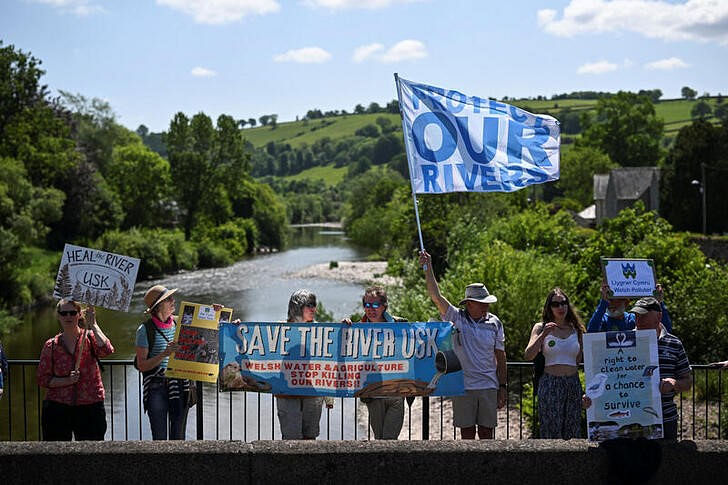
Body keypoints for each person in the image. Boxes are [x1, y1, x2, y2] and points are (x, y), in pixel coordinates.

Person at [419, 250, 507, 439]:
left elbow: (501, 356)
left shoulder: (495, 322)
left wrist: (503, 387)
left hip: (488, 386)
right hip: (463, 386)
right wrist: (428, 268)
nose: (486, 306)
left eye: (486, 303)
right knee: (466, 433)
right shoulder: (456, 317)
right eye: (481, 303)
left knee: (486, 433)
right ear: (469, 303)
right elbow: (436, 296)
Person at [584, 297, 691, 440]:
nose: (638, 320)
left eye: (644, 315)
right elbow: (611, 379)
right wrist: (593, 398)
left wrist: (674, 384)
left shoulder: (674, 343)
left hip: (665, 420)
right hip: (629, 423)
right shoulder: (622, 343)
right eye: (636, 315)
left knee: (665, 462)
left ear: (658, 316)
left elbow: (688, 382)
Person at [36, 298, 114, 440]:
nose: (68, 317)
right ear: (58, 316)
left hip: (90, 405)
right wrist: (67, 380)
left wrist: (94, 325)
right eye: (64, 313)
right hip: (58, 406)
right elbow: (42, 379)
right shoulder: (51, 346)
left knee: (91, 456)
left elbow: (107, 350)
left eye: (72, 313)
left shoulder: (90, 338)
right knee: (57, 455)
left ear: (79, 314)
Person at [344, 286, 408, 440]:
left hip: (396, 392)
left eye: (374, 305)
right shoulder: (358, 328)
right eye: (366, 305)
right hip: (374, 393)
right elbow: (345, 352)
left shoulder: (400, 324)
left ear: (384, 306)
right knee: (380, 439)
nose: (370, 309)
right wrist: (344, 329)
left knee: (390, 439)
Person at [524, 288, 585, 439]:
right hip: (550, 383)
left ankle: (572, 463)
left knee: (573, 430)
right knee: (551, 430)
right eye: (555, 304)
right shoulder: (540, 327)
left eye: (564, 303)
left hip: (572, 383)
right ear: (549, 307)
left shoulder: (576, 329)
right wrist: (544, 334)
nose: (560, 307)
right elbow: (528, 355)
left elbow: (580, 360)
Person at [135, 285, 192, 440]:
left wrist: (218, 312)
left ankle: (178, 465)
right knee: (159, 440)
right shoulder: (144, 330)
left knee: (179, 438)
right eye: (169, 299)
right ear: (158, 305)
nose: (173, 301)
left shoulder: (179, 323)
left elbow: (209, 326)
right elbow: (141, 366)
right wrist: (164, 354)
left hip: (180, 386)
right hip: (156, 388)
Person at [276, 289, 334, 440]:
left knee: (310, 438)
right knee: (291, 438)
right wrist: (235, 327)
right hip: (287, 393)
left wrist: (329, 397)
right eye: (309, 305)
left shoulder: (321, 331)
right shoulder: (278, 329)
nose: (314, 308)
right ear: (298, 307)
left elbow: (327, 362)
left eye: (314, 304)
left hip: (313, 393)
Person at [587, 282, 672, 333]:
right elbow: (591, 333)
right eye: (608, 300)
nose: (610, 304)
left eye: (615, 300)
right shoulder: (603, 320)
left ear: (626, 303)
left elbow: (665, 329)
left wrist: (659, 302)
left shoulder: (635, 320)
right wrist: (603, 303)